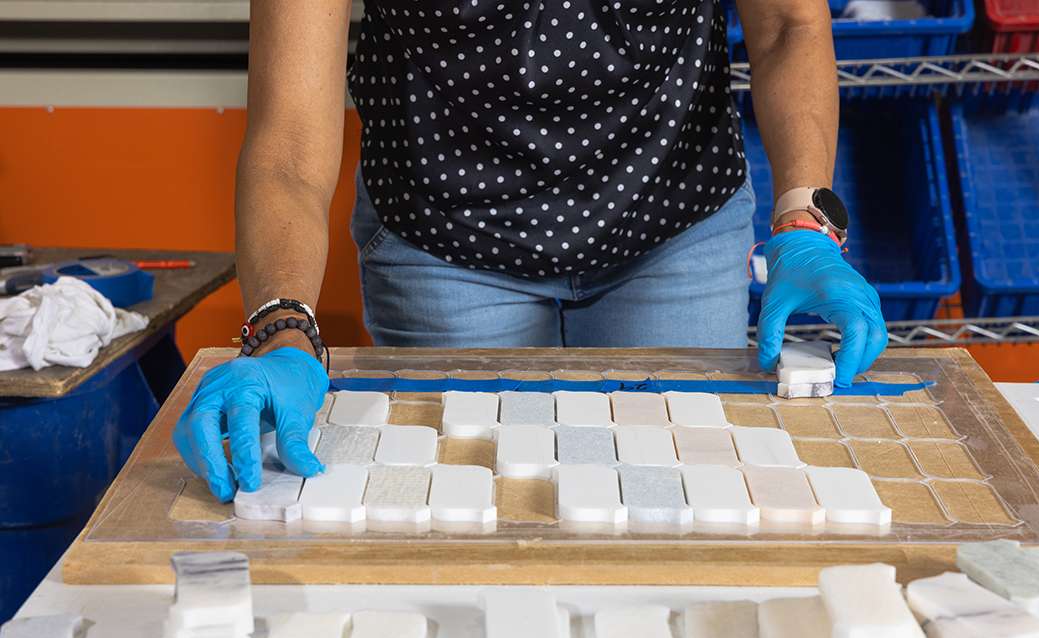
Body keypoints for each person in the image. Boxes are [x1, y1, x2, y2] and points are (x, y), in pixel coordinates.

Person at [175, 0, 887, 502]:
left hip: (671, 212)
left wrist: (805, 214)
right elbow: (291, 143)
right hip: (443, 233)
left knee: (673, 495)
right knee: (461, 506)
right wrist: (281, 330)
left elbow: (790, 24)